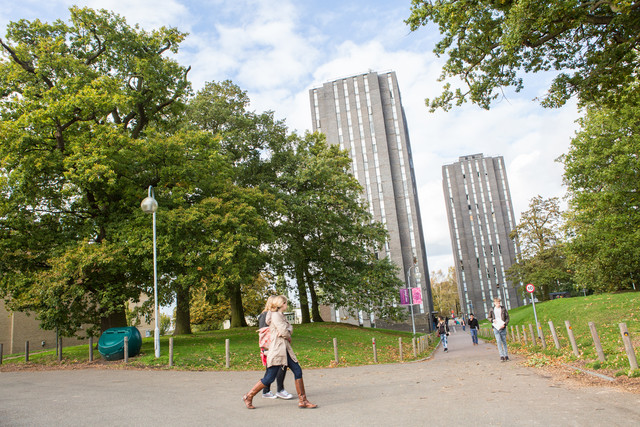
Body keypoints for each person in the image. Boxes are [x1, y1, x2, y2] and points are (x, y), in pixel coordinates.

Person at [242, 295, 317, 409]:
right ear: (281, 304)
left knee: (297, 370)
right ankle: (249, 396)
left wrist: (287, 330)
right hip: (278, 350)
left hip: (285, 349)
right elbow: (284, 331)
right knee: (269, 378)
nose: (287, 305)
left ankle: (303, 400)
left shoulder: (281, 315)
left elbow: (289, 328)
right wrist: (287, 331)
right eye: (286, 303)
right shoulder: (276, 315)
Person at [257, 297, 293, 400]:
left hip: (269, 346)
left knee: (272, 369)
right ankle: (277, 390)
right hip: (272, 346)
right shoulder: (269, 315)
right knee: (277, 368)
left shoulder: (264, 314)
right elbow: (268, 331)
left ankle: (267, 391)